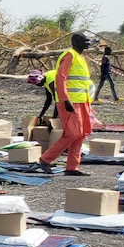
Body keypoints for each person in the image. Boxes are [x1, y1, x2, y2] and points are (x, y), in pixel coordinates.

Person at [38, 32, 94, 176]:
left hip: (83, 100)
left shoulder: (80, 57)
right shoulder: (69, 55)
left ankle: (72, 167)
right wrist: (65, 99)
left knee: (82, 133)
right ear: (76, 42)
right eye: (85, 41)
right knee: (72, 133)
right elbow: (61, 78)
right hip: (70, 101)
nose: (88, 44)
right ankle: (45, 159)